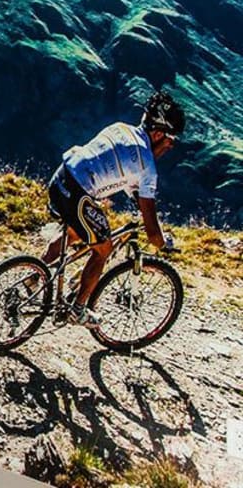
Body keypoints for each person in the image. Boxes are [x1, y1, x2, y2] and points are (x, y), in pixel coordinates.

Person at [38, 92, 186, 328]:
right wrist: (162, 243)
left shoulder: (120, 128)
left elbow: (126, 179)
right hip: (78, 194)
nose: (169, 148)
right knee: (103, 249)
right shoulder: (147, 166)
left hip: (61, 178)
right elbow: (150, 226)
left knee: (75, 232)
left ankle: (34, 276)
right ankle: (78, 309)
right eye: (170, 142)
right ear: (158, 133)